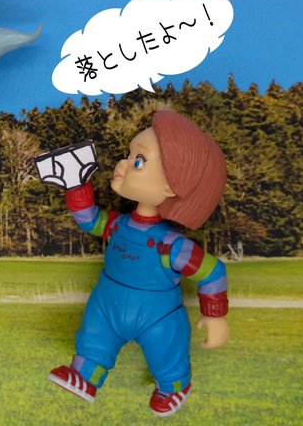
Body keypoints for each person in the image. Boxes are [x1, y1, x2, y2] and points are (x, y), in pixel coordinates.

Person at [41, 110, 229, 418]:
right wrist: (75, 185)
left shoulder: (172, 245)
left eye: (138, 161)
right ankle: (85, 374)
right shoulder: (118, 224)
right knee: (93, 338)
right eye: (128, 156)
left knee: (166, 350)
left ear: (172, 187)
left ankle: (174, 385)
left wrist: (215, 316)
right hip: (107, 304)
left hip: (157, 315)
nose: (123, 164)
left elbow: (212, 272)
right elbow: (90, 220)